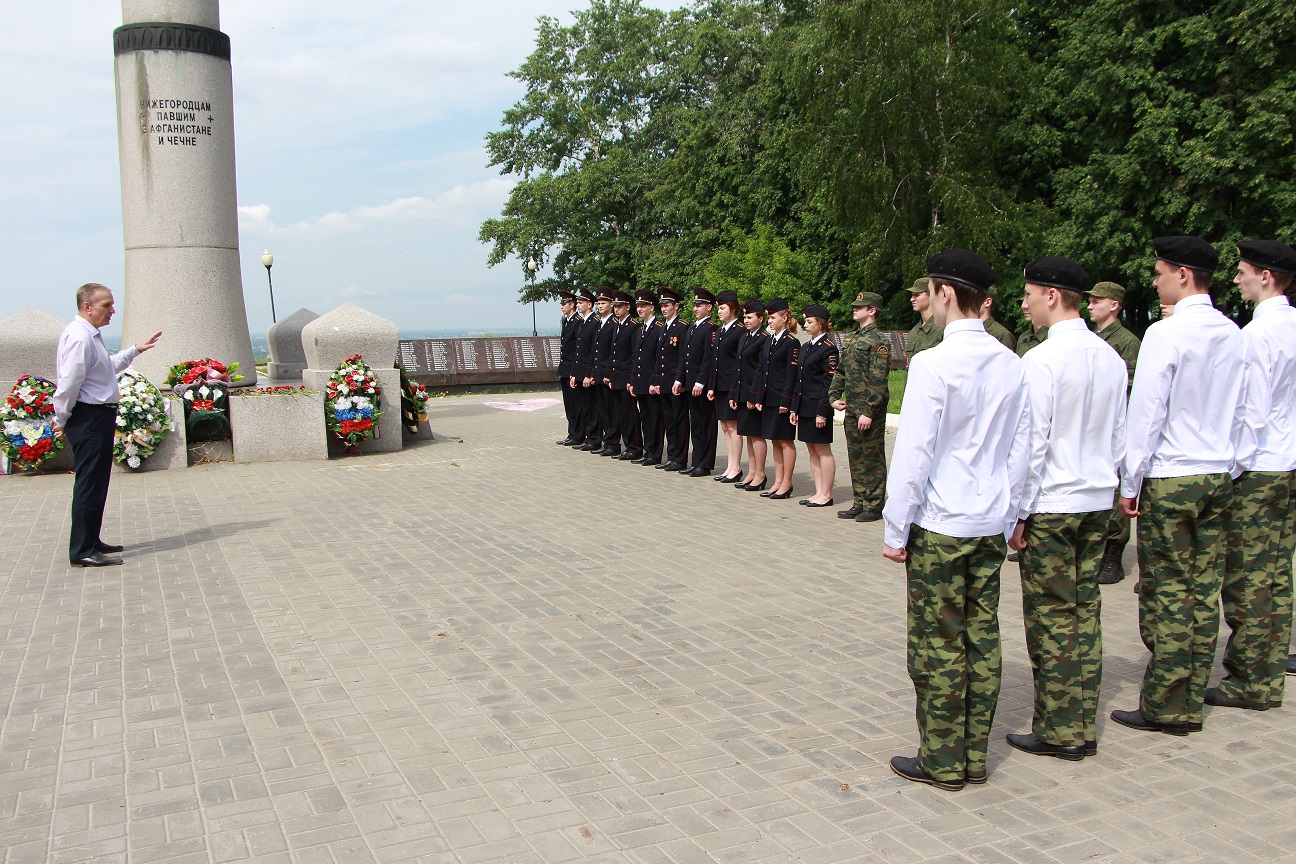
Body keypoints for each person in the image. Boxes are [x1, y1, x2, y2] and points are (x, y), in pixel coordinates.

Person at [881, 250, 1030, 790]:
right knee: (980, 639)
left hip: (942, 524)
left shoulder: (933, 363)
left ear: (944, 292)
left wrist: (896, 529)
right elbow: (1021, 451)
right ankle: (971, 755)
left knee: (937, 644)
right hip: (989, 521)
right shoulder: (1012, 363)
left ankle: (942, 759)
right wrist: (1012, 514)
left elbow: (915, 455)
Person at [1112, 235, 1246, 737]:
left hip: (1172, 476)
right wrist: (1229, 466)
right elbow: (1243, 411)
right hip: (1217, 473)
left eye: (1160, 272)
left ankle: (1168, 705)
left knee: (1168, 593)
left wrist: (1131, 481)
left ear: (1183, 275)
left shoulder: (1165, 335)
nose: (1155, 280)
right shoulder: (1233, 332)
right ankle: (1189, 694)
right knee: (1202, 589)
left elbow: (1146, 414)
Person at [1005, 257, 1128, 762]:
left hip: (1053, 504)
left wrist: (1016, 512)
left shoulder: (1042, 360)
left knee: (1052, 618)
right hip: (1097, 500)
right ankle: (1081, 721)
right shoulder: (1110, 358)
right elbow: (1120, 436)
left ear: (1053, 295)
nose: (1026, 304)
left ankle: (1061, 731)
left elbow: (1030, 445)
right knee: (1085, 613)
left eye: (1030, 294)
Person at [1210, 240, 1296, 712]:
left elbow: (1252, 411)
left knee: (1247, 581)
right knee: (1278, 575)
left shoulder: (1258, 335)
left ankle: (1249, 681)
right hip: (1286, 464)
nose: (1238, 278)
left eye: (1243, 271)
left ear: (1266, 276)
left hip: (1259, 467)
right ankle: (1269, 669)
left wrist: (1234, 468)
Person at [53, 283, 161, 566]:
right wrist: (60, 418)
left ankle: (90, 539)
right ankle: (82, 550)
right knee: (89, 483)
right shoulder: (79, 337)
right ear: (87, 306)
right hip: (88, 417)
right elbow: (68, 384)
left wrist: (134, 350)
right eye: (106, 305)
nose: (112, 310)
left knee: (97, 481)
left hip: (97, 416)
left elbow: (105, 368)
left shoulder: (90, 336)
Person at [1085, 281, 1141, 585]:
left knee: (1117, 484)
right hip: (1093, 422)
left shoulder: (1126, 341)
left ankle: (1114, 555)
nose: (1090, 306)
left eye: (1097, 301)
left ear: (1114, 305)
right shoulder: (1094, 337)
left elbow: (1128, 390)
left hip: (1115, 424)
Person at [832, 291, 891, 522]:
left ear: (872, 310)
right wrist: (833, 395)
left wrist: (869, 411)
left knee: (872, 456)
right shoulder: (851, 338)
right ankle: (859, 501)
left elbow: (879, 380)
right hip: (852, 408)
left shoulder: (879, 341)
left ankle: (875, 504)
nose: (855, 309)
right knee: (855, 455)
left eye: (860, 306)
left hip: (869, 411)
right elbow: (841, 371)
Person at [791, 305, 839, 507]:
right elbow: (798, 380)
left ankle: (826, 493)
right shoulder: (806, 347)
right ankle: (818, 491)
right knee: (811, 449)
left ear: (821, 323)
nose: (805, 325)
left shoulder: (828, 348)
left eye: (809, 321)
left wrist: (823, 411)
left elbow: (829, 382)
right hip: (804, 405)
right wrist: (794, 407)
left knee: (822, 449)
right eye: (805, 321)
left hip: (818, 406)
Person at [753, 298, 798, 500]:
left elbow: (791, 374)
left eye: (773, 317)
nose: (769, 321)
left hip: (781, 399)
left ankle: (787, 483)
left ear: (784, 317)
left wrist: (786, 401)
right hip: (769, 397)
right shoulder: (770, 340)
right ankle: (778, 481)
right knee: (774, 441)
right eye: (769, 318)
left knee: (785, 441)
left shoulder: (791, 342)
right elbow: (762, 370)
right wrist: (758, 395)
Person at [674, 288, 718, 477]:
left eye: (699, 305)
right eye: (694, 305)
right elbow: (685, 357)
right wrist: (680, 379)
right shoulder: (692, 328)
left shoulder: (711, 328)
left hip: (702, 384)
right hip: (690, 383)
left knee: (706, 423)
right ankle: (696, 460)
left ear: (709, 307)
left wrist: (701, 382)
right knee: (696, 423)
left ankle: (705, 463)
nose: (695, 308)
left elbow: (708, 358)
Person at [729, 300, 769, 491]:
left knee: (757, 435)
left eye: (750, 317)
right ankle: (752, 471)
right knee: (748, 435)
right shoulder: (745, 337)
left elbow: (761, 370)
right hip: (742, 392)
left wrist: (755, 396)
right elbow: (738, 368)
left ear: (761, 318)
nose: (746, 320)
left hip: (754, 393)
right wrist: (734, 394)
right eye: (744, 316)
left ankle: (760, 474)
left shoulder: (764, 338)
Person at [709, 290, 746, 482]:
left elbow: (738, 363)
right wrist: (711, 385)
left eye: (722, 308)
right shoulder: (721, 330)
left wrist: (733, 388)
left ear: (732, 308)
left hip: (731, 385)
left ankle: (736, 467)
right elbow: (715, 361)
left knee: (733, 426)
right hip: (720, 385)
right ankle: (730, 466)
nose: (719, 312)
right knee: (724, 426)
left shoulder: (740, 330)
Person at [653, 287, 689, 471]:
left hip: (676, 382)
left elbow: (683, 356)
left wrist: (680, 380)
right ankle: (672, 455)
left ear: (676, 306)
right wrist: (657, 381)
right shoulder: (663, 327)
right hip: (664, 381)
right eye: (662, 306)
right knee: (669, 420)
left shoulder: (682, 327)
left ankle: (680, 458)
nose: (664, 309)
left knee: (679, 420)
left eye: (667, 305)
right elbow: (660, 358)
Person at [629, 290, 664, 466]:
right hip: (641, 381)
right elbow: (636, 358)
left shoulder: (659, 329)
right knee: (645, 418)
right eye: (638, 306)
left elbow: (659, 358)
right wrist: (633, 380)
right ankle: (648, 450)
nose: (640, 309)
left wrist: (655, 381)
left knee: (655, 418)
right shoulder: (640, 330)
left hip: (652, 382)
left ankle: (655, 453)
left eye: (643, 306)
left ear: (652, 307)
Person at [604, 290, 639, 460]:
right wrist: (609, 373)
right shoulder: (617, 325)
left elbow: (634, 355)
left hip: (626, 376)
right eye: (615, 306)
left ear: (627, 307)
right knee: (621, 415)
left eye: (619, 306)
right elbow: (613, 352)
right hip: (616, 376)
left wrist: (631, 378)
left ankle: (635, 446)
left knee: (630, 414)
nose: (616, 309)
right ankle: (627, 445)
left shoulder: (633, 326)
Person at [591, 288, 620, 456]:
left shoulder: (613, 324)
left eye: (603, 303)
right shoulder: (600, 323)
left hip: (608, 373)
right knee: (603, 409)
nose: (600, 306)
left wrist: (608, 373)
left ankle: (613, 442)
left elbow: (612, 352)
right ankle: (608, 440)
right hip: (599, 372)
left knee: (612, 409)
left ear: (611, 304)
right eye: (599, 303)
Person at [572, 288, 602, 449]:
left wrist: (589, 374)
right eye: (577, 302)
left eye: (581, 302)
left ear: (590, 304)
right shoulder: (583, 322)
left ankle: (595, 439)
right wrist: (574, 373)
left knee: (593, 407)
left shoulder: (595, 322)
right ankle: (589, 437)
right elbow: (579, 351)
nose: (578, 305)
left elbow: (593, 351)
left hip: (588, 373)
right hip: (580, 371)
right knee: (585, 407)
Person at [556, 289, 583, 446]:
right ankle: (572, 433)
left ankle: (578, 434)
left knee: (576, 404)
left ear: (572, 305)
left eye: (564, 303)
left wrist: (573, 370)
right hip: (566, 368)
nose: (562, 306)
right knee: (568, 404)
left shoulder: (577, 321)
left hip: (573, 368)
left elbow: (576, 349)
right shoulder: (566, 321)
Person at [905, 277, 942, 365]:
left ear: (932, 295)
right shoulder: (914, 332)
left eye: (917, 295)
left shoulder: (942, 329)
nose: (912, 299)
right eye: (912, 295)